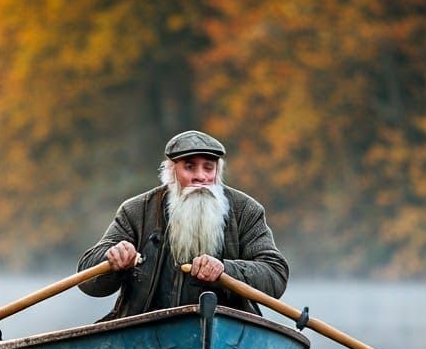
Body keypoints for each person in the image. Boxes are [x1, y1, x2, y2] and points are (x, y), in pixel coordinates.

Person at [78, 130, 288, 320]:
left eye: (209, 167)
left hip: (229, 332)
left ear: (218, 171)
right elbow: (87, 278)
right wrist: (113, 259)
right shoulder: (136, 211)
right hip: (141, 333)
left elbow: (275, 274)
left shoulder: (246, 211)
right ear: (171, 172)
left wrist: (226, 269)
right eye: (189, 167)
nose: (201, 177)